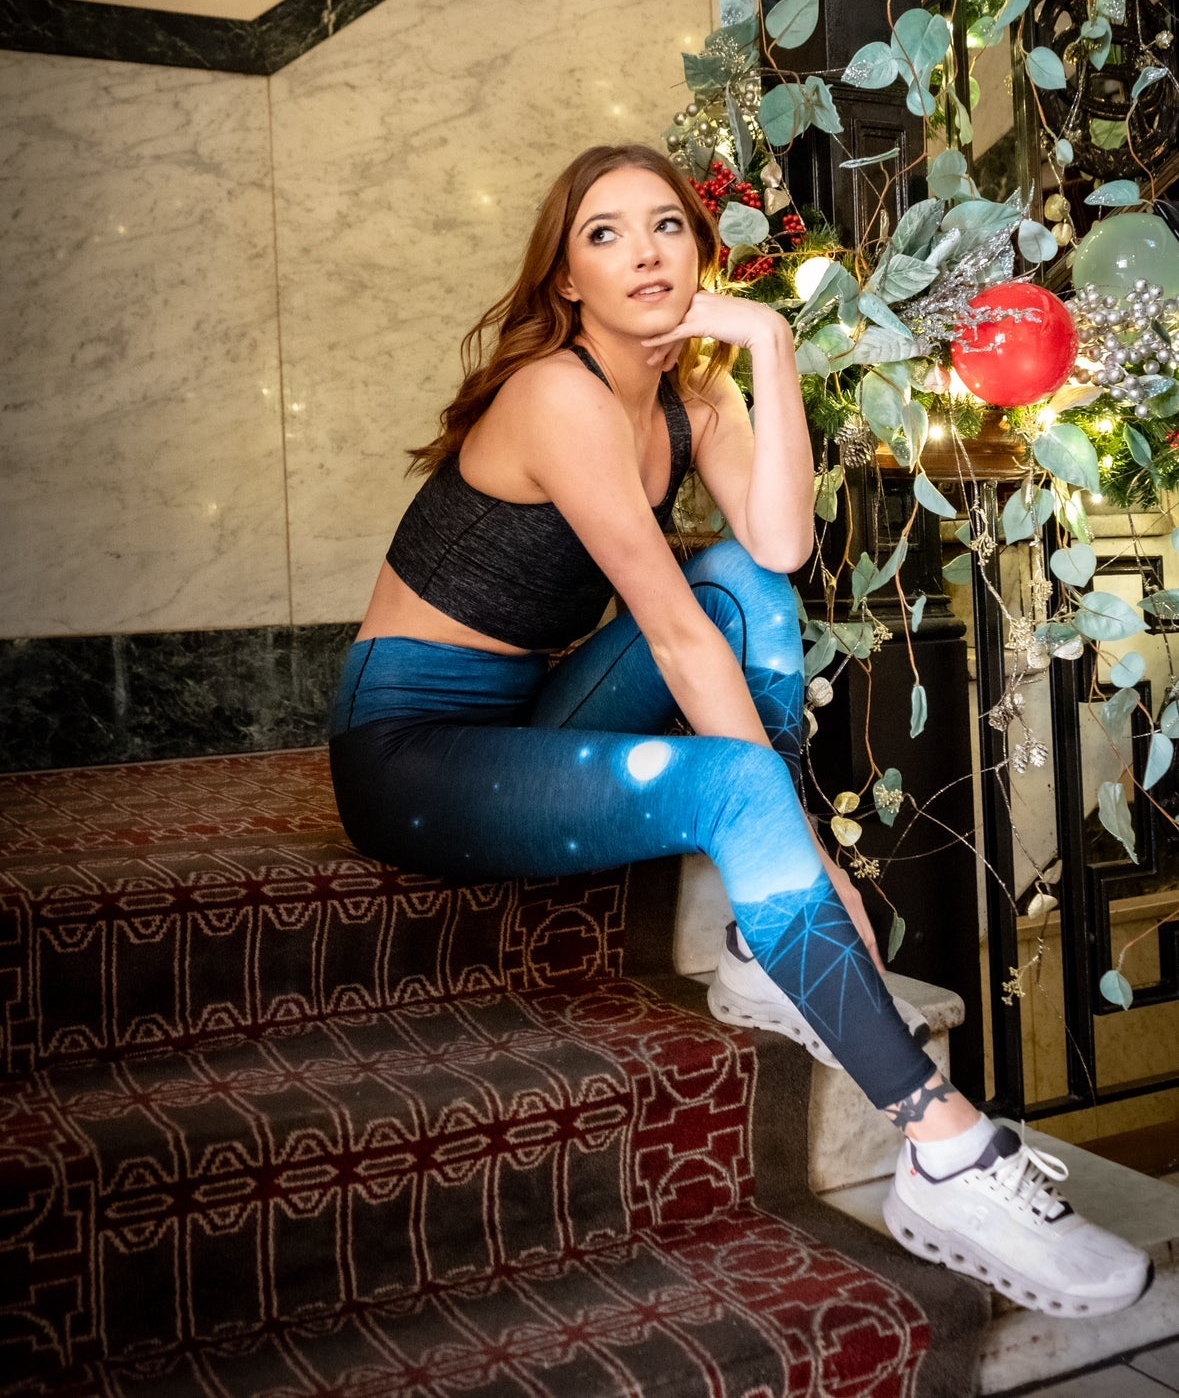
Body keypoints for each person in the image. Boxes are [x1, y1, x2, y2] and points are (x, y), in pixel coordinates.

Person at [330, 141, 1150, 1319]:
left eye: (664, 224)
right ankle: (944, 1147)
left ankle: (773, 939)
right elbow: (671, 635)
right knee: (739, 782)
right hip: (407, 755)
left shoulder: (694, 386)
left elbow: (780, 548)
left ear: (701, 249)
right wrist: (804, 840)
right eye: (604, 233)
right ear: (566, 279)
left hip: (529, 712)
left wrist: (766, 341)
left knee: (744, 584)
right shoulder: (555, 393)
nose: (642, 252)